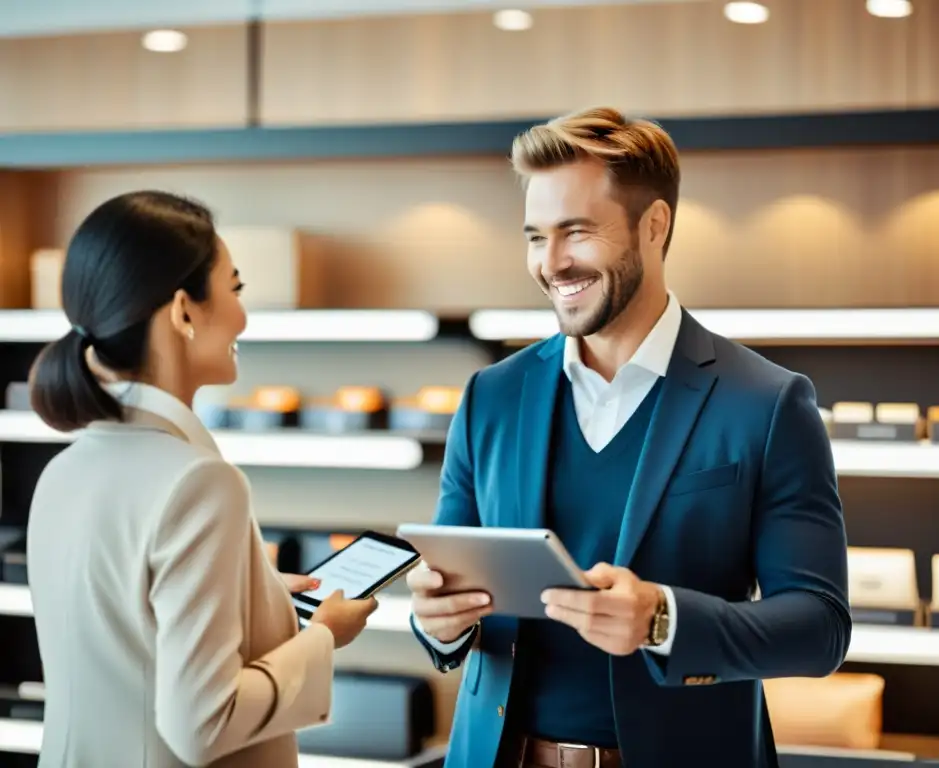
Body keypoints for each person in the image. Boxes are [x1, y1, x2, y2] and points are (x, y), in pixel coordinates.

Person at [407, 107, 852, 768]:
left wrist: (662, 619)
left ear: (654, 226)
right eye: (535, 236)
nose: (551, 263)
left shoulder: (767, 402)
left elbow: (818, 628)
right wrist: (435, 622)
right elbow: (452, 583)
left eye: (575, 232)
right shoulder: (490, 397)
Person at [26, 191, 377, 768]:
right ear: (184, 310)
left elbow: (127, 642)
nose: (242, 313)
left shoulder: (62, 471)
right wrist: (323, 637)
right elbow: (203, 723)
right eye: (234, 289)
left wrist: (257, 599)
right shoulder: (199, 483)